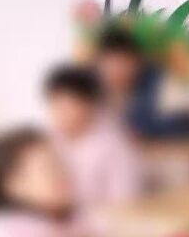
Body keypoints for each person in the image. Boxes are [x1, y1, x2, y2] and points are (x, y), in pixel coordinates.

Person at [44, 64, 142, 210]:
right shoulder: (49, 141)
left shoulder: (115, 147)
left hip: (101, 221)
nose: (59, 113)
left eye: (68, 105)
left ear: (91, 106)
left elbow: (125, 204)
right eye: (55, 104)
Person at [94, 27, 189, 142]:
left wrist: (143, 135)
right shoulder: (93, 90)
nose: (116, 71)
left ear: (137, 62)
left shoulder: (161, 82)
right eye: (109, 64)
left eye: (122, 64)